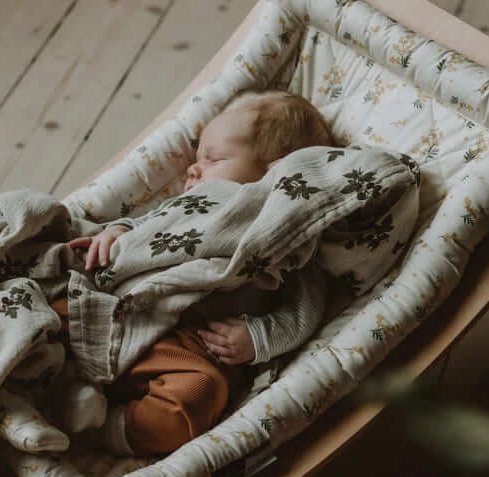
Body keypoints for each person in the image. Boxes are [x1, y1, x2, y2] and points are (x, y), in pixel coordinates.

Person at [59, 90, 333, 456]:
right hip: (122, 311)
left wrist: (258, 337)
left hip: (190, 348)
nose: (193, 168)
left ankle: (104, 426)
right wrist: (118, 231)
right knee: (56, 297)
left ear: (276, 171)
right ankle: (57, 379)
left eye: (214, 158)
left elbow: (306, 307)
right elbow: (152, 223)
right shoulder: (189, 204)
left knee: (201, 391)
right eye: (196, 156)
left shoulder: (286, 233)